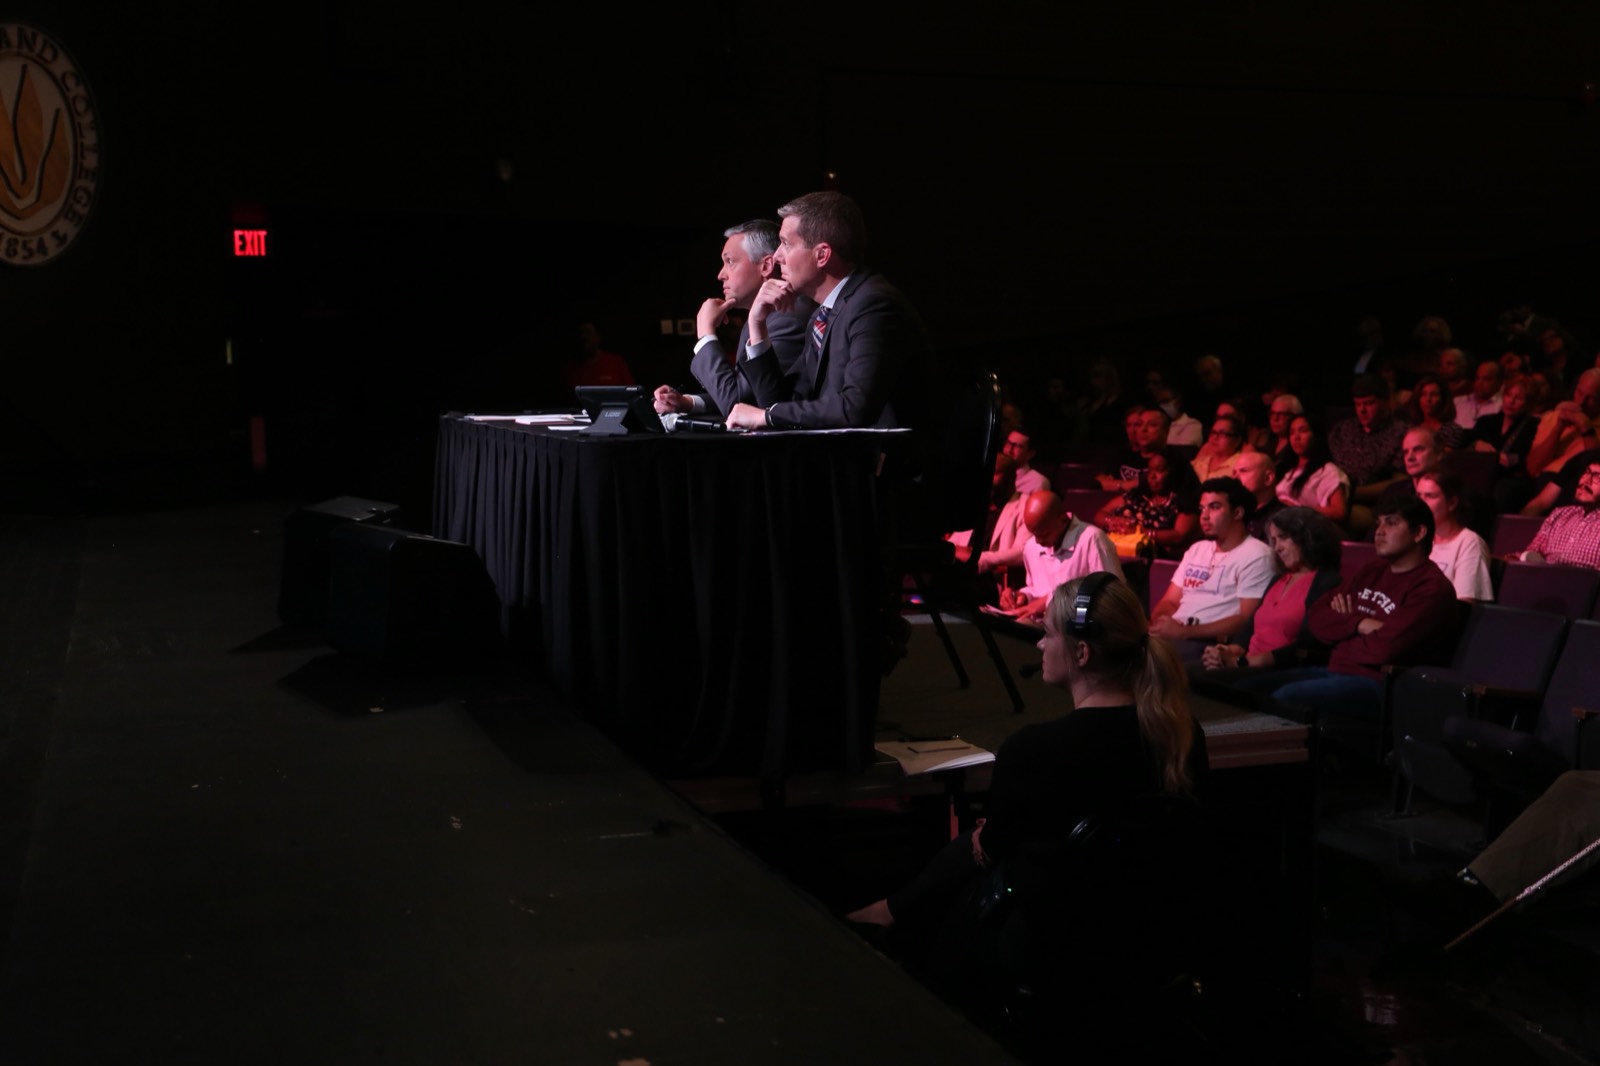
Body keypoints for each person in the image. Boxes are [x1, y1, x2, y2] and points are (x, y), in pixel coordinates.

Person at [845, 573, 1209, 978]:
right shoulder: (1182, 734)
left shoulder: (1033, 748)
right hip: (1146, 934)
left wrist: (993, 834)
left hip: (1048, 941)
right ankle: (890, 913)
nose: (1039, 643)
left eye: (1048, 634)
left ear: (1082, 652)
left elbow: (992, 848)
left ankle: (889, 921)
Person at [1231, 498, 1459, 725]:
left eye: (1391, 523)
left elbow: (1385, 649)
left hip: (1379, 684)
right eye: (1378, 523)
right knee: (1242, 690)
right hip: (1335, 668)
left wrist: (1342, 631)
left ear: (1419, 533)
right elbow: (1317, 617)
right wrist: (1359, 624)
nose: (1379, 532)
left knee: (1285, 698)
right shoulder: (1372, 571)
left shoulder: (1431, 588)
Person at [726, 192, 931, 433]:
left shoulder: (873, 305)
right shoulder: (822, 315)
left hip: (887, 465)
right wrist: (757, 323)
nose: (777, 255)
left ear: (822, 254)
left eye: (786, 244)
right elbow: (782, 403)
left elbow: (856, 407)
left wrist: (768, 416)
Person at [653, 220, 813, 417]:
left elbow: (735, 403)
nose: (721, 275)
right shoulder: (763, 317)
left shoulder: (788, 317)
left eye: (730, 261)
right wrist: (688, 402)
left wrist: (705, 333)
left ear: (766, 266)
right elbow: (747, 394)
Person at [1147, 477, 1276, 663]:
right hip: (1176, 635)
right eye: (1202, 509)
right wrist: (1159, 624)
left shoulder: (1257, 555)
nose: (1204, 516)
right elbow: (1170, 601)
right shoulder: (1197, 549)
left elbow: (1246, 620)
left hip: (1208, 643)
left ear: (1238, 512)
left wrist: (1183, 632)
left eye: (1214, 507)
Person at [1201, 507, 1344, 672]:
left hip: (1280, 668)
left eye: (1283, 538)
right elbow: (1250, 629)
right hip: (1247, 662)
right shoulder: (1278, 579)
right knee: (1188, 674)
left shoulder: (1326, 582)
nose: (1277, 548)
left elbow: (1307, 646)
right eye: (1274, 541)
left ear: (1308, 537)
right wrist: (1225, 652)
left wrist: (1243, 662)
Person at [996, 492, 1123, 623]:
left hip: (1077, 628)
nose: (1038, 541)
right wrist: (1023, 596)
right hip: (1044, 627)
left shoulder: (1092, 539)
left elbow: (1112, 595)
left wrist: (1049, 601)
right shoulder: (1031, 546)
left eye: (1044, 534)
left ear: (1062, 520)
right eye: (1034, 534)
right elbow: (1036, 589)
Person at [1093, 448, 1201, 560]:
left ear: (1175, 471)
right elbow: (1101, 514)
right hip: (1117, 551)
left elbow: (1179, 535)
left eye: (1159, 470)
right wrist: (1115, 522)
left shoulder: (1186, 499)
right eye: (1149, 471)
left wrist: (1140, 532)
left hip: (1158, 561)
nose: (1152, 476)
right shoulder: (1138, 494)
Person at [1416, 469, 1493, 601]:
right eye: (1419, 496)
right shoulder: (1417, 539)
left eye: (1430, 496)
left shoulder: (1469, 543)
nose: (1420, 504)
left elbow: (1464, 605)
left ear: (1451, 503)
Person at [1515, 458, 1600, 570]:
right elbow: (1531, 552)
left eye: (1597, 477)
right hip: (1543, 579)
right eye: (1587, 472)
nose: (1586, 480)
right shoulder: (1560, 514)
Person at [1328, 374, 1407, 490]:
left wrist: (1355, 494)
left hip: (1374, 502)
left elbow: (1401, 482)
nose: (1362, 410)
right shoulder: (1342, 430)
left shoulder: (1400, 434)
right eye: (1358, 404)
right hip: (1333, 495)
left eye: (1369, 403)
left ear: (1386, 402)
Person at [1275, 415, 1351, 527]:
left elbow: (1339, 512)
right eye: (1292, 432)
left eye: (1302, 431)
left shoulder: (1328, 471)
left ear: (1316, 435)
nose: (1296, 437)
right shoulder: (1285, 468)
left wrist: (1297, 510)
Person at [1524, 368, 1600, 479]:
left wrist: (1586, 428)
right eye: (1579, 392)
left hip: (1574, 486)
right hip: (1544, 481)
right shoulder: (1553, 417)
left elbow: (1594, 471)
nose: (1581, 401)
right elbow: (1532, 468)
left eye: (1591, 398)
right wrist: (1558, 429)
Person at [1097, 406, 1168, 491]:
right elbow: (1097, 482)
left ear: (1165, 431)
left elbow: (1151, 485)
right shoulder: (1123, 455)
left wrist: (1115, 484)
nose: (1143, 429)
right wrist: (1123, 484)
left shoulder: (1168, 457)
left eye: (1151, 425)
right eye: (1140, 424)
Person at [1400, 374, 1468, 452]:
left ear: (1444, 400)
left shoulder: (1454, 431)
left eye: (1434, 395)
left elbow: (1443, 459)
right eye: (1424, 394)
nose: (1428, 399)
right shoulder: (1410, 429)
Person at [563, 321, 635, 390]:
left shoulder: (616, 363)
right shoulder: (570, 368)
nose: (584, 337)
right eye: (581, 333)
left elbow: (631, 391)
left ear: (598, 337)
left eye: (588, 332)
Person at [1236, 449, 1286, 541]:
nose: (1235, 477)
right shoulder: (1233, 516)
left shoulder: (1285, 519)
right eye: (1234, 472)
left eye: (1243, 471)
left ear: (1268, 478)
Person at [1190, 412, 1247, 482]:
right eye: (1213, 432)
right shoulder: (1196, 464)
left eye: (1222, 434)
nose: (1215, 437)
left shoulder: (1242, 466)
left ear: (1237, 441)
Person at [1454, 360, 1504, 429]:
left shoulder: (1502, 407)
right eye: (1477, 378)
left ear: (1499, 383)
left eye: (1486, 379)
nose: (1479, 383)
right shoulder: (1458, 401)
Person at [1000, 430, 1049, 495]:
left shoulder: (1037, 482)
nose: (1009, 450)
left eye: (1017, 446)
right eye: (1008, 443)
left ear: (1030, 454)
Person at [1264, 393, 1304, 469]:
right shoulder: (1269, 446)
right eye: (1272, 413)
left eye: (1281, 414)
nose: (1275, 419)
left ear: (1295, 416)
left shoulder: (1298, 448)